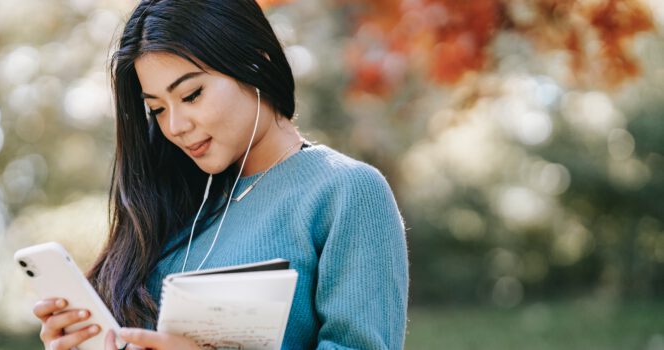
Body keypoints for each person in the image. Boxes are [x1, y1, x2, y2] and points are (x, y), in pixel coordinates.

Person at [31, 0, 408, 349]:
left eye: (191, 94)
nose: (175, 126)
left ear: (255, 63)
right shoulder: (173, 202)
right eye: (157, 109)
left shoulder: (346, 191)